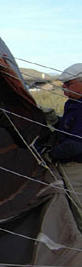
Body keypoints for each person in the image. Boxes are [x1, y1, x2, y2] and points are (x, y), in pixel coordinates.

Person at [49, 63, 82, 227]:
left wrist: (50, 154)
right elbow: (70, 130)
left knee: (79, 213)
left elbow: (76, 144)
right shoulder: (73, 103)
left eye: (68, 84)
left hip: (78, 169)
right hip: (70, 166)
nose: (63, 88)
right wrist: (56, 121)